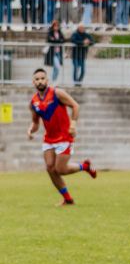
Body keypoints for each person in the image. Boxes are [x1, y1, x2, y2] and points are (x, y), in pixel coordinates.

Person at [28, 68, 97, 205]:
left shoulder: (57, 93)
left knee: (60, 169)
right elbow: (36, 123)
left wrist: (73, 125)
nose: (40, 81)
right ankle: (68, 199)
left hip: (64, 137)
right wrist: (31, 130)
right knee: (50, 168)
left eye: (42, 78)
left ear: (47, 80)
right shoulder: (34, 102)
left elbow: (75, 106)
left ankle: (84, 167)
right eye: (37, 79)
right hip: (49, 139)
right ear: (33, 82)